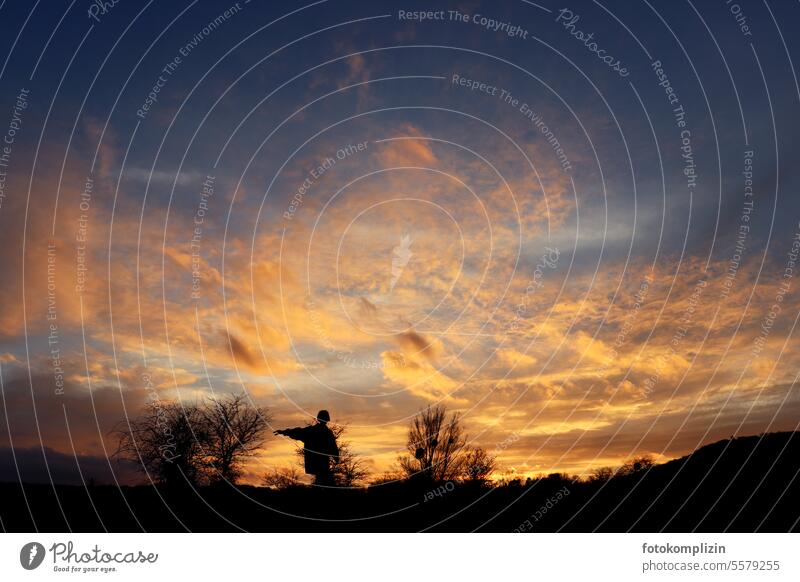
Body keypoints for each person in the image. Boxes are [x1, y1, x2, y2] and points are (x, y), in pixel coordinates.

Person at [275, 410, 339, 485]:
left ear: (318, 419)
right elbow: (333, 447)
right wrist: (336, 458)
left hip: (315, 463)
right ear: (327, 419)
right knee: (324, 482)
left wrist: (284, 432)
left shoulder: (312, 431)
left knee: (321, 482)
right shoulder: (327, 433)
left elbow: (298, 432)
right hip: (322, 464)